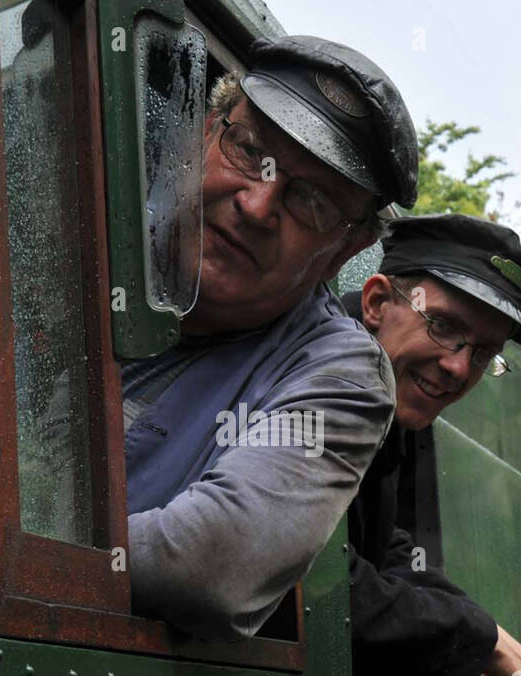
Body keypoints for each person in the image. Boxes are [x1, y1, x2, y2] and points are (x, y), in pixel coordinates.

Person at [123, 36, 418, 639]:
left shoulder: (340, 373)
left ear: (350, 247)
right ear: (206, 130)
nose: (258, 206)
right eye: (248, 150)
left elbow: (205, 568)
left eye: (311, 200)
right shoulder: (80, 229)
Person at [339, 214, 521, 676]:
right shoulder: (319, 381)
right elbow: (304, 577)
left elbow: (378, 546)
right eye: (444, 325)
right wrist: (480, 640)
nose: (456, 367)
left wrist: (478, 637)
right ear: (376, 302)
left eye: (482, 354)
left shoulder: (384, 405)